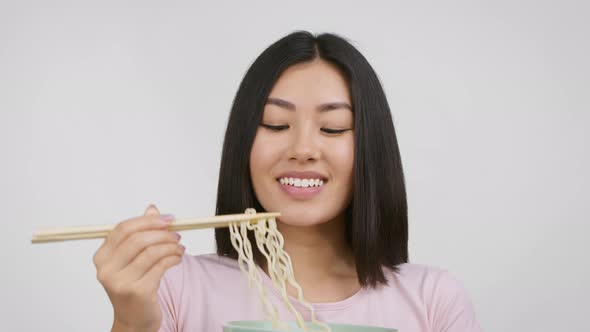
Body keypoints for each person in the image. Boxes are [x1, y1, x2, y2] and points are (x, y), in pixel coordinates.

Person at [93, 31, 482, 332]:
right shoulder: (176, 289)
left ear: (369, 150)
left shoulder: (433, 300)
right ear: (244, 141)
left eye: (332, 128)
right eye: (276, 124)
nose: (303, 148)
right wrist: (131, 322)